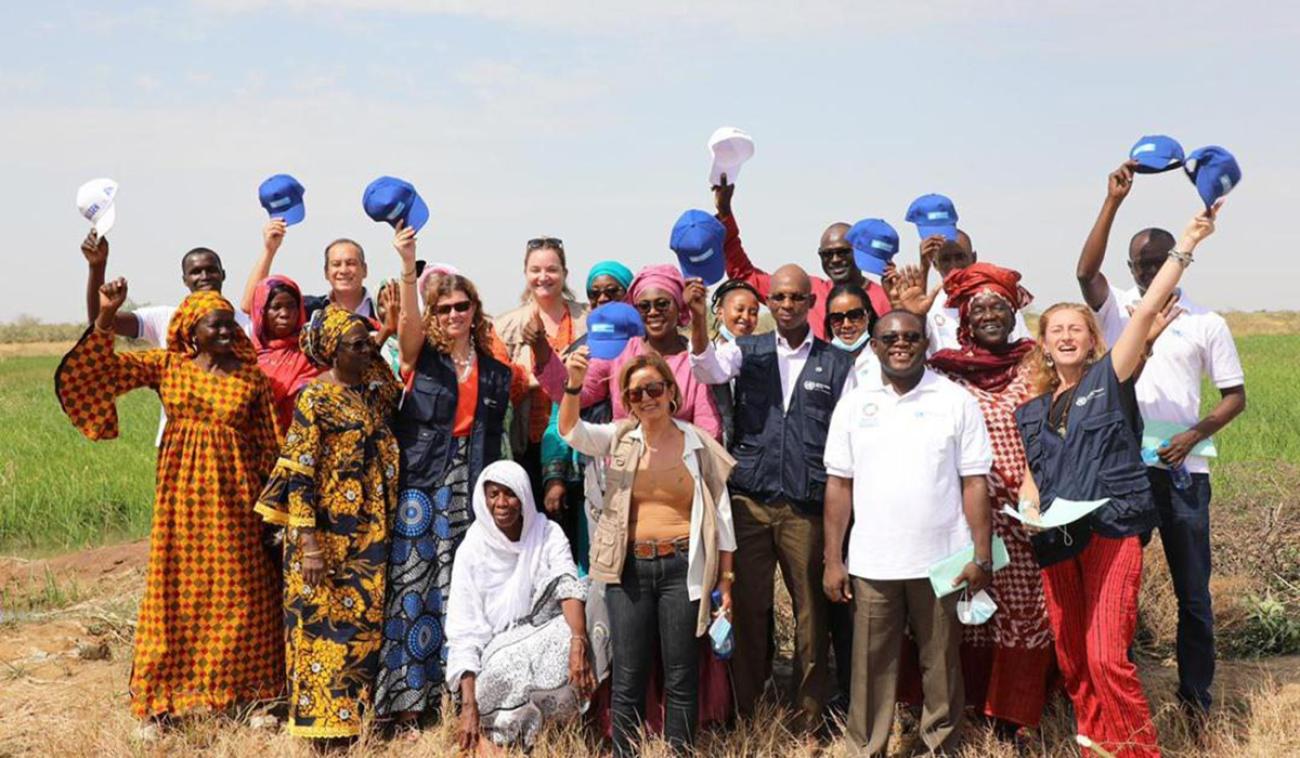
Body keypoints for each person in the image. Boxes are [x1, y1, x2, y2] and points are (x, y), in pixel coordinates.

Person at [1019, 204, 1224, 757]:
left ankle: (1137, 749)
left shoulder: (1110, 381)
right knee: (1073, 656)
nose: (1065, 337)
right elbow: (1033, 478)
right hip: (1059, 541)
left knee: (1108, 654)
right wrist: (1028, 504)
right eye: (1055, 331)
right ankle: (1095, 743)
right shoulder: (1033, 411)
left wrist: (1187, 243)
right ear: (1042, 343)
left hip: (1112, 533)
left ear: (1092, 340)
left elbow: (1146, 309)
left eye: (1075, 330)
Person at [56, 281, 282, 728]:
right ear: (191, 331)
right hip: (182, 502)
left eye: (226, 324)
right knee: (175, 591)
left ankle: (245, 697)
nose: (224, 332)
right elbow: (100, 372)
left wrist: (272, 511)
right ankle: (160, 701)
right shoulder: (168, 367)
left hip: (235, 499)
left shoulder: (250, 376)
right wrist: (105, 316)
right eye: (213, 325)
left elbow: (268, 444)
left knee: (242, 592)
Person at [375, 223, 567, 729]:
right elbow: (407, 326)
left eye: (462, 306)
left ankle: (468, 696)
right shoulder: (421, 359)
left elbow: (550, 392)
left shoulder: (499, 372)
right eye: (445, 308)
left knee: (470, 589)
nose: (454, 315)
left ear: (474, 311)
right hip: (424, 482)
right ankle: (410, 700)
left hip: (475, 486)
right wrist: (407, 263)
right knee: (415, 586)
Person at [1075, 161, 1246, 719]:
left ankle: (1196, 699)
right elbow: (1084, 271)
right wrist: (1111, 202)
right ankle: (1118, 693)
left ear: (1178, 258)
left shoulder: (1205, 321)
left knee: (1193, 594)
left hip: (1183, 472)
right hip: (1122, 471)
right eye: (1140, 263)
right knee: (1114, 590)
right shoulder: (1118, 309)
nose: (1149, 271)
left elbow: (1233, 396)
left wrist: (1193, 435)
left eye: (1158, 261)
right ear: (1130, 267)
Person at [689, 264, 855, 732]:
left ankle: (808, 718)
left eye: (796, 298)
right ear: (770, 303)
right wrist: (700, 317)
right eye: (778, 298)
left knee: (810, 616)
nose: (785, 306)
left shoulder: (838, 363)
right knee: (747, 610)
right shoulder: (747, 349)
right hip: (751, 502)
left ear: (810, 303)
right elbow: (706, 367)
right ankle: (747, 712)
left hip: (807, 505)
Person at [822, 309, 994, 756]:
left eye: (911, 337)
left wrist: (981, 554)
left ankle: (939, 744)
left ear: (925, 343)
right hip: (873, 562)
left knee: (940, 663)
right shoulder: (855, 404)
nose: (901, 344)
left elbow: (975, 481)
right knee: (871, 664)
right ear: (874, 346)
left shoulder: (955, 400)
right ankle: (866, 746)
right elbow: (839, 485)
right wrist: (833, 559)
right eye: (890, 338)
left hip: (943, 561)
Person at [559, 349, 736, 758]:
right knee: (629, 675)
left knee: (680, 674)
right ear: (627, 401)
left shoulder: (698, 444)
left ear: (671, 391)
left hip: (682, 568)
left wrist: (726, 583)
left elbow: (723, 520)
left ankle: (680, 752)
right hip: (629, 570)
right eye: (636, 394)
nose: (646, 398)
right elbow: (570, 431)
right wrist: (573, 383)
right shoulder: (619, 437)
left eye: (654, 388)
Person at [918, 263, 1054, 737]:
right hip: (964, 514)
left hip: (1026, 516)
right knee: (969, 612)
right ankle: (971, 707)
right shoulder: (944, 372)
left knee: (1024, 611)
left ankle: (1014, 718)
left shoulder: (1037, 363)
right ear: (965, 320)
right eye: (981, 309)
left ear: (1013, 312)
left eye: (1000, 306)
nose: (991, 316)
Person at [253, 305, 400, 740]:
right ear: (332, 352)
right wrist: (309, 544)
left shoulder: (371, 390)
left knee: (362, 629)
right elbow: (299, 471)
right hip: (326, 538)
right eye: (356, 345)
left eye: (366, 342)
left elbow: (393, 391)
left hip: (368, 532)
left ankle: (355, 720)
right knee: (323, 628)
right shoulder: (314, 397)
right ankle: (320, 726)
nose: (367, 349)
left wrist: (379, 337)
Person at [445, 460, 596, 750]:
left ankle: (554, 730)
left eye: (510, 493)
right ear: (483, 498)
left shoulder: (547, 533)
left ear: (525, 495)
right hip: (493, 660)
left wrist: (579, 641)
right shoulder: (473, 548)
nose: (502, 503)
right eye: (493, 495)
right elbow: (464, 633)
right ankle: (496, 736)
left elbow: (567, 584)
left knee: (588, 622)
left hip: (541, 638)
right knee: (506, 662)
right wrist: (468, 705)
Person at [81, 231, 253, 444]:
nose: (204, 276)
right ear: (185, 280)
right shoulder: (166, 318)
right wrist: (97, 267)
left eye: (211, 270)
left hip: (234, 440)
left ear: (223, 274)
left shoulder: (245, 323)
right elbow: (100, 321)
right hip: (178, 443)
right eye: (196, 272)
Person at [539, 259, 636, 568]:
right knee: (596, 561)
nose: (603, 300)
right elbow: (560, 411)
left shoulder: (649, 343)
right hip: (592, 470)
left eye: (612, 292)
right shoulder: (579, 350)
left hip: (644, 468)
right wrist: (555, 477)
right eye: (595, 294)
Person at [713, 176, 891, 340]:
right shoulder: (803, 292)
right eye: (827, 254)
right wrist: (725, 213)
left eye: (843, 252)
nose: (835, 260)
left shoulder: (885, 299)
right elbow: (745, 275)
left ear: (858, 252)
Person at [559, 264, 722, 440]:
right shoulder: (620, 350)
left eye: (662, 304)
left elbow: (708, 431)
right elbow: (581, 397)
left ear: (678, 306)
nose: (652, 312)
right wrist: (565, 373)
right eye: (644, 306)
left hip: (680, 461)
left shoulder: (696, 363)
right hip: (625, 460)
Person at [495, 237, 588, 499]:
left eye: (552, 269)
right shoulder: (506, 327)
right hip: (527, 443)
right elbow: (501, 385)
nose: (543, 277)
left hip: (579, 442)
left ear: (565, 273)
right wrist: (536, 379)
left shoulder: (588, 320)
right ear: (525, 273)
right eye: (535, 270)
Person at [911, 230, 1032, 353]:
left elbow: (1023, 350)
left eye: (960, 257)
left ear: (973, 258)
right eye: (945, 259)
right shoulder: (930, 308)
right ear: (935, 265)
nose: (954, 266)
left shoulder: (999, 304)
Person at [240, 218, 378, 321]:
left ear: (365, 270)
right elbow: (250, 307)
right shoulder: (310, 309)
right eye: (336, 264)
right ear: (326, 273)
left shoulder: (383, 310)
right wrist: (269, 250)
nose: (343, 270)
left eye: (351, 263)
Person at [247, 275, 321, 437]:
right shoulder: (247, 357)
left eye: (291, 307)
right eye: (276, 307)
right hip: (260, 449)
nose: (285, 314)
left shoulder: (315, 354)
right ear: (261, 312)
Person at [707, 278, 762, 446]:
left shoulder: (763, 354)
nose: (746, 317)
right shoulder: (706, 356)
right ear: (719, 312)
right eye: (739, 309)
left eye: (753, 312)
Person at [824, 281, 881, 385]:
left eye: (854, 316)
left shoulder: (884, 360)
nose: (846, 325)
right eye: (837, 318)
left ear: (868, 315)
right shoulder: (819, 364)